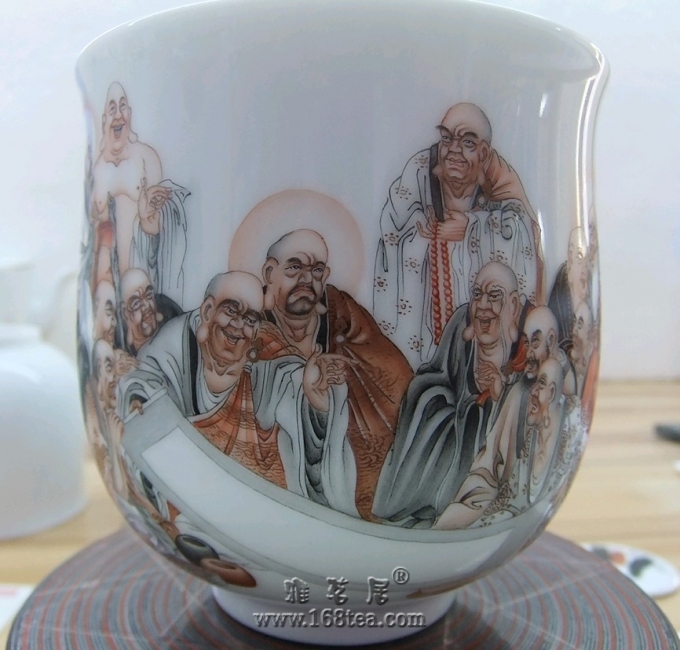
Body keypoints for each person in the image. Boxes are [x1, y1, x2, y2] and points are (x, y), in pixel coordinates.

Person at [119, 271, 359, 516]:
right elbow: (142, 391)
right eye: (231, 311)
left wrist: (314, 401)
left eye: (250, 320)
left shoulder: (264, 354)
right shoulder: (171, 351)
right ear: (208, 311)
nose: (238, 326)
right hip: (192, 508)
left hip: (269, 515)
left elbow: (289, 383)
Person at [373, 102, 542, 368]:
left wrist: (473, 228)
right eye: (446, 139)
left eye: (467, 142)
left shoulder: (500, 178)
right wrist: (425, 232)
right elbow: (392, 228)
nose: (454, 150)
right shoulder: (418, 173)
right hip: (426, 327)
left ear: (483, 153)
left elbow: (522, 231)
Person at [260, 229, 413, 519]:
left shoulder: (343, 315)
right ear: (269, 272)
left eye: (317, 270)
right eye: (295, 267)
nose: (307, 279)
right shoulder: (249, 320)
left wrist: (338, 385)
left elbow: (391, 378)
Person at [372, 261, 529, 527]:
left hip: (489, 457)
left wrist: (497, 397)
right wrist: (463, 409)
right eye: (477, 294)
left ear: (513, 305)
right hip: (452, 422)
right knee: (425, 397)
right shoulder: (461, 325)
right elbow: (436, 376)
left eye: (494, 296)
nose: (483, 306)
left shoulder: (524, 349)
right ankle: (416, 505)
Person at [432, 357, 566, 529]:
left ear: (552, 393)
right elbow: (510, 491)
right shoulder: (531, 436)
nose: (532, 392)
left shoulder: (562, 427)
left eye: (540, 384)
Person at [92, 82, 189, 307]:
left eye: (123, 107)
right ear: (104, 119)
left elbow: (163, 221)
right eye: (112, 108)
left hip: (143, 273)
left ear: (130, 114)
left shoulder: (146, 158)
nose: (118, 115)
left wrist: (149, 217)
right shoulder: (97, 170)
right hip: (107, 284)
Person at [120, 268, 182, 356]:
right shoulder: (122, 351)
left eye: (149, 295)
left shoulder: (171, 314)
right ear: (125, 313)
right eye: (136, 303)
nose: (146, 306)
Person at [548, 227, 590, 355]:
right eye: (579, 258)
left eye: (588, 259)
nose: (585, 268)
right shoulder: (560, 290)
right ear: (570, 262)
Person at [571, 299, 599, 427]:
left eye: (580, 325)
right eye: (574, 323)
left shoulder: (592, 362)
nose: (574, 331)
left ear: (591, 333)